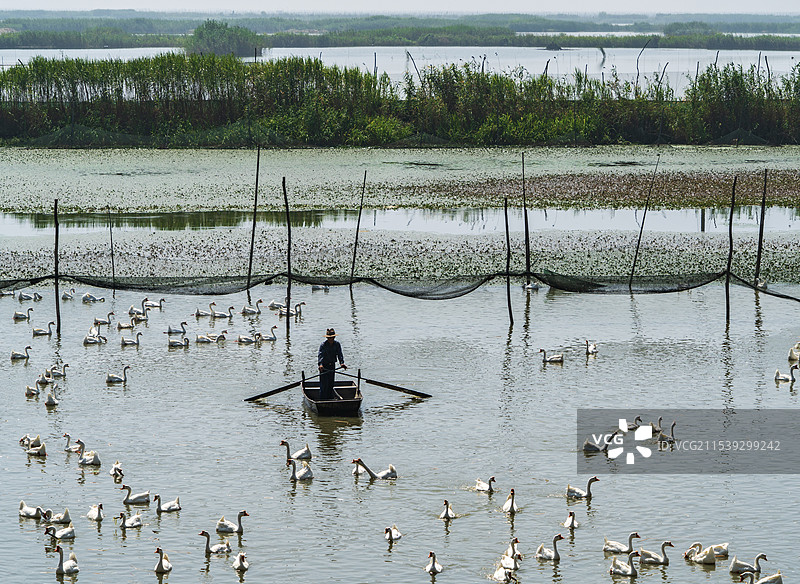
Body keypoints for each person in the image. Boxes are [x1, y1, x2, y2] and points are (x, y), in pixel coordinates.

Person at [318, 328, 347, 399]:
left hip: (332, 365)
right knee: (324, 384)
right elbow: (320, 356)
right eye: (329, 338)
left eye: (331, 337)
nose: (330, 339)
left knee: (331, 383)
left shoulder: (337, 344)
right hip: (324, 367)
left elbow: (340, 354)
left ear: (334, 337)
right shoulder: (323, 345)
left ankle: (330, 398)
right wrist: (320, 364)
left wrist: (342, 363)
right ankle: (322, 399)